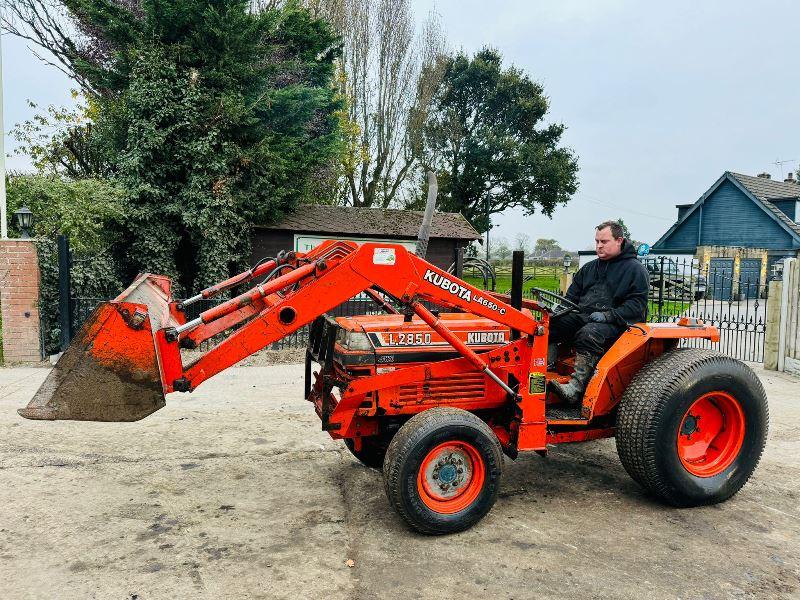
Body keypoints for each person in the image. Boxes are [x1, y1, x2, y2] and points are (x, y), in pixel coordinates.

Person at [549, 221, 649, 405]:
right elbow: (571, 298)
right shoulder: (589, 268)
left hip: (618, 324)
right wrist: (559, 312)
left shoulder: (635, 270)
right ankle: (544, 371)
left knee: (589, 334)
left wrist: (608, 315)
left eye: (604, 241)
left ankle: (575, 388)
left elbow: (637, 306)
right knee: (549, 325)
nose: (599, 246)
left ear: (619, 240)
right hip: (585, 317)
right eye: (597, 241)